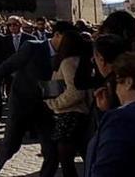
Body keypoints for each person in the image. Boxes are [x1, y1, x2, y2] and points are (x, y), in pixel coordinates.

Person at [0, 21, 77, 177]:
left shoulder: (67, 55)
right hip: (22, 103)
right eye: (67, 38)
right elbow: (8, 66)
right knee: (10, 146)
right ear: (57, 35)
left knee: (52, 150)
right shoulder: (33, 47)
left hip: (46, 107)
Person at [85, 52, 135, 177]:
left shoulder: (120, 120)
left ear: (128, 82)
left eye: (118, 81)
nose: (116, 89)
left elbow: (107, 167)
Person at [43, 28, 88, 177]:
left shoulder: (69, 62)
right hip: (70, 115)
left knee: (67, 161)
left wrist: (55, 103)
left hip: (71, 115)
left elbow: (75, 91)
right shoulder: (71, 60)